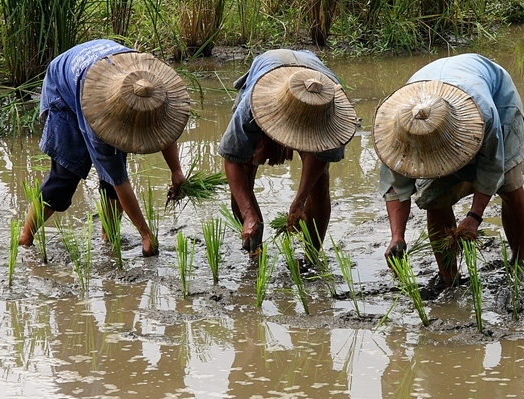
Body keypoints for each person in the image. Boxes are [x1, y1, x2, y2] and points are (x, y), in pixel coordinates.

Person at [18, 39, 191, 257]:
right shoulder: (102, 120)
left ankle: (108, 238)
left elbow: (163, 128)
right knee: (65, 176)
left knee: (112, 173)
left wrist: (176, 171)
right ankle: (25, 239)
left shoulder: (148, 85)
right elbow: (119, 180)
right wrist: (146, 234)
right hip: (65, 88)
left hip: (110, 74)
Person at [372, 53, 524, 288]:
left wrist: (474, 217)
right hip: (426, 96)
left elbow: (492, 168)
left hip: (496, 97)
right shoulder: (395, 131)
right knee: (435, 198)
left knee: (510, 186)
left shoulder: (484, 113)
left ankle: (520, 260)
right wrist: (397, 236)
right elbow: (396, 186)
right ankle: (449, 278)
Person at [218, 49, 358, 254]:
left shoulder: (332, 111)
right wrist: (248, 214)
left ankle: (312, 254)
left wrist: (299, 201)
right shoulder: (251, 106)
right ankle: (255, 248)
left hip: (316, 79)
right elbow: (232, 159)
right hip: (270, 70)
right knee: (246, 165)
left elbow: (319, 163)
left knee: (320, 184)